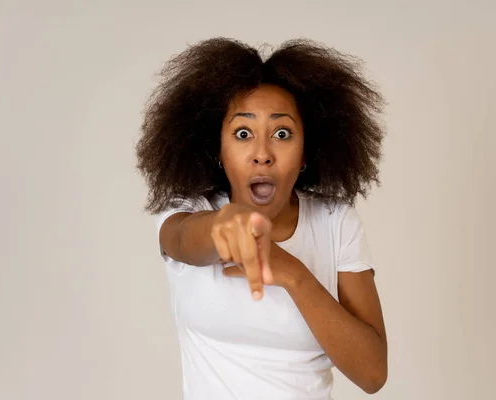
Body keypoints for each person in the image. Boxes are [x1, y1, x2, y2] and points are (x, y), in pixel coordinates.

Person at [136, 37, 388, 400]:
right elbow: (180, 239)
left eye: (282, 134)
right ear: (218, 151)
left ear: (305, 153)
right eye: (243, 134)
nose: (262, 154)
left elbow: (372, 373)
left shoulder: (335, 221)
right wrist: (220, 225)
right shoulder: (191, 209)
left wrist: (294, 275)